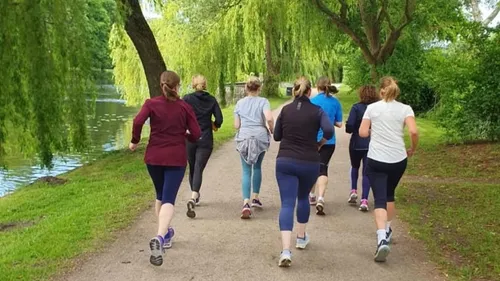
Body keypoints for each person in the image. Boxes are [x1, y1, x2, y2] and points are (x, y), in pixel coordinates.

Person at [129, 70, 201, 266]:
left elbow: (137, 121)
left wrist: (135, 141)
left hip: (153, 158)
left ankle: (167, 235)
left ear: (162, 86)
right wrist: (186, 135)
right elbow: (196, 133)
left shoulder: (151, 104)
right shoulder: (184, 108)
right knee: (169, 199)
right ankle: (160, 238)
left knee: (160, 195)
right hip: (175, 159)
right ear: (177, 86)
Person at [273, 76, 334, 267]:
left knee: (287, 203)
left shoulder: (285, 109)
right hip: (309, 161)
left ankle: (285, 250)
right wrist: (320, 143)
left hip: (285, 161)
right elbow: (329, 130)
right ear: (310, 92)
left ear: (294, 91)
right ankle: (301, 237)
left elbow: (276, 136)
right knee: (303, 197)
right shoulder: (317, 111)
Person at [359, 76, 419, 262]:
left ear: (381, 91)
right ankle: (388, 228)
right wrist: (412, 148)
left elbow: (362, 132)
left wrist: (371, 131)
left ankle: (381, 239)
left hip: (377, 158)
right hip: (398, 158)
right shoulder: (405, 109)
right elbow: (414, 131)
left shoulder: (372, 108)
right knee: (390, 194)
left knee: (379, 199)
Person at [182, 75, 223, 218]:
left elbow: (180, 115)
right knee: (199, 166)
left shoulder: (187, 99)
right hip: (205, 139)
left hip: (190, 138)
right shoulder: (211, 100)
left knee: (193, 166)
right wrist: (214, 125)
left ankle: (194, 195)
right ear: (205, 85)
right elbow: (219, 119)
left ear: (193, 85)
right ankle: (194, 196)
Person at [234, 76, 274, 219]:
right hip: (260, 137)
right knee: (257, 167)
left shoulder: (239, 103)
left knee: (246, 171)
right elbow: (269, 118)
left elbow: (236, 125)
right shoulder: (264, 102)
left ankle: (246, 202)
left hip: (244, 137)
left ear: (246, 88)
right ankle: (256, 198)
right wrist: (272, 128)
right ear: (259, 88)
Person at [309, 77, 343, 215]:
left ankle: (311, 195)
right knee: (323, 168)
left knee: (312, 167)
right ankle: (321, 197)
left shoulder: (312, 101)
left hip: (313, 140)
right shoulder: (335, 102)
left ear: (317, 87)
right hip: (329, 141)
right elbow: (339, 123)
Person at [345, 85, 380, 211]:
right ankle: (364, 200)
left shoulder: (356, 107)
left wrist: (350, 127)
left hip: (356, 143)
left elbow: (349, 126)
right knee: (367, 171)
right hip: (371, 144)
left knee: (354, 166)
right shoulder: (377, 109)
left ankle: (353, 190)